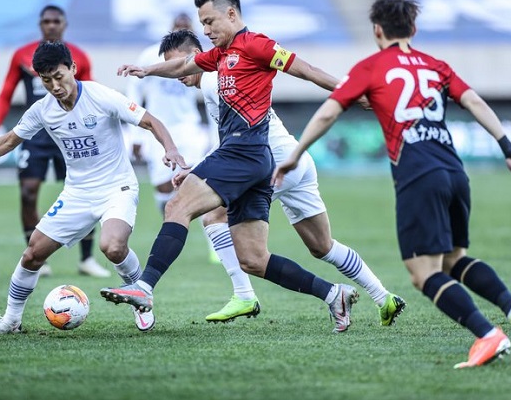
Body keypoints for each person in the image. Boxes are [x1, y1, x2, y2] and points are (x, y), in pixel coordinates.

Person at [273, 0, 511, 368]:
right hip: (454, 172)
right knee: (453, 260)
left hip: (419, 175)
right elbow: (475, 101)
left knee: (422, 274)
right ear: (413, 28)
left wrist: (296, 154)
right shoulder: (436, 65)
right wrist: (509, 147)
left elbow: (328, 113)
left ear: (377, 31)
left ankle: (487, 335)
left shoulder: (371, 67)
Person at [101, 0, 360, 334]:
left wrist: (350, 92)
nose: (205, 31)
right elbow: (184, 66)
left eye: (209, 22)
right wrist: (146, 70)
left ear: (232, 13)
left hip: (244, 151)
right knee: (253, 258)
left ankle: (143, 288)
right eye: (202, 25)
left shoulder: (257, 44)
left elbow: (307, 70)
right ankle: (334, 294)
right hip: (254, 161)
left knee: (178, 207)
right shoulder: (220, 55)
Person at [159, 29, 406, 325]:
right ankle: (384, 297)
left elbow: (237, 145)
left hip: (272, 166)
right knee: (322, 246)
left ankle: (244, 295)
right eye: (169, 67)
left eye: (180, 64)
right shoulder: (218, 79)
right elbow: (229, 143)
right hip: (295, 159)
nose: (178, 73)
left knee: (213, 215)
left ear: (196, 55)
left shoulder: (214, 80)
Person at [0, 41, 187, 335]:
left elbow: (150, 121)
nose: (55, 86)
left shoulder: (100, 96)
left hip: (116, 187)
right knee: (33, 254)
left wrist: (170, 149)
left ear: (72, 69)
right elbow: (8, 141)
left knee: (112, 246)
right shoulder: (43, 110)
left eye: (59, 76)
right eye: (46, 80)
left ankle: (140, 298)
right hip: (77, 193)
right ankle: (10, 319)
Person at [0, 4, 110, 278]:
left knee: (87, 193)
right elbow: (6, 94)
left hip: (71, 134)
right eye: (46, 21)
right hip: (36, 135)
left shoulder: (78, 56)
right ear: (40, 24)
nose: (51, 25)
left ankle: (87, 259)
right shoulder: (21, 55)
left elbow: (92, 93)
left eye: (56, 21)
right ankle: (37, 257)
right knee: (28, 192)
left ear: (64, 24)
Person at [125, 13, 219, 263]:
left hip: (188, 128)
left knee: (202, 185)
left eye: (187, 28)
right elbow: (135, 93)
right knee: (164, 188)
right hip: (158, 131)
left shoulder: (202, 61)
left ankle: (215, 241)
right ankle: (173, 226)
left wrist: (213, 135)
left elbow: (212, 100)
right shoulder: (150, 55)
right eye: (178, 28)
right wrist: (135, 134)